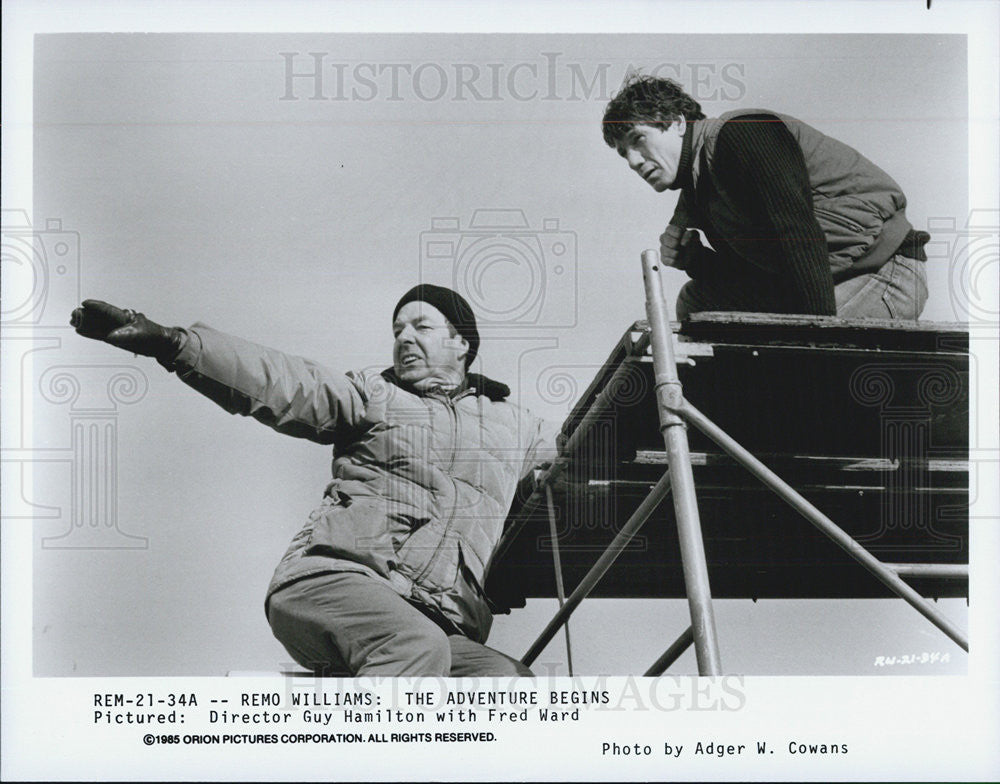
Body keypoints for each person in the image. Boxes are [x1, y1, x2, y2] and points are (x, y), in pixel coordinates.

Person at [70, 284, 557, 676]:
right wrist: (174, 343)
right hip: (338, 579)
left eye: (422, 326)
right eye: (397, 329)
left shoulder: (516, 426)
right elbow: (285, 382)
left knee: (504, 681)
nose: (404, 337)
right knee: (412, 645)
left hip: (435, 615)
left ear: (462, 343)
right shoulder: (374, 395)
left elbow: (585, 452)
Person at [602, 75, 930, 321]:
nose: (633, 160)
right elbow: (761, 274)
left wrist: (813, 343)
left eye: (638, 139)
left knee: (786, 369)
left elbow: (799, 234)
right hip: (823, 280)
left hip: (886, 271)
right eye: (623, 153)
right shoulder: (699, 191)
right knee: (697, 302)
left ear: (675, 122)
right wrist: (698, 261)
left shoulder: (742, 135)